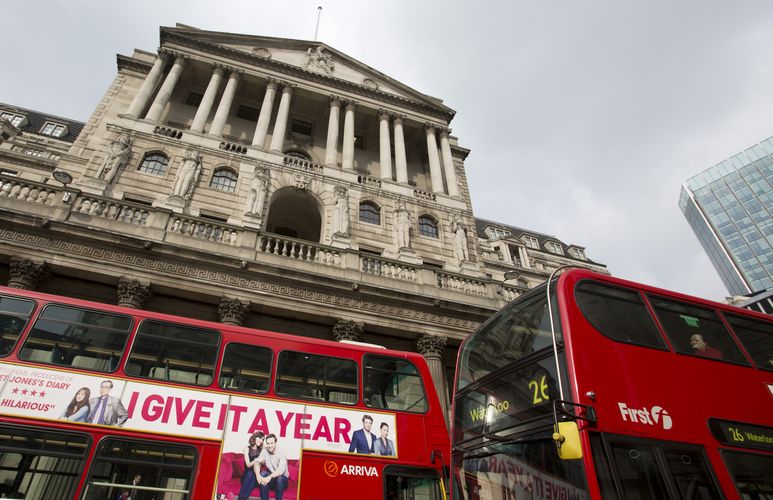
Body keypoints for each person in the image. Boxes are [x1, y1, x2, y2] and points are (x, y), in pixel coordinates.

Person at [256, 434, 289, 500]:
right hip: (272, 480)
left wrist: (269, 477)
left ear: (275, 443)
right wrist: (258, 475)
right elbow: (257, 462)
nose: (270, 446)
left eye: (272, 443)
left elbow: (281, 470)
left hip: (282, 480)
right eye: (268, 443)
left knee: (279, 479)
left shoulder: (281, 452)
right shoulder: (264, 450)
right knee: (262, 474)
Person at [237, 431, 265, 500]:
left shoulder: (262, 451)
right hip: (247, 476)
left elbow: (260, 466)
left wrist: (261, 461)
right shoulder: (246, 448)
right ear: (255, 437)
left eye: (262, 439)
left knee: (253, 474)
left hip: (256, 477)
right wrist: (256, 460)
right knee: (250, 473)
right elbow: (248, 465)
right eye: (260, 438)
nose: (261, 441)